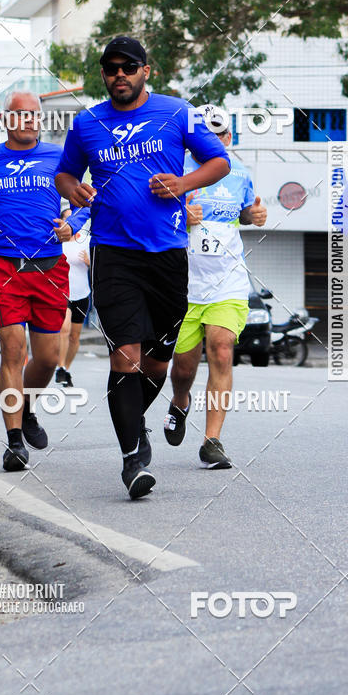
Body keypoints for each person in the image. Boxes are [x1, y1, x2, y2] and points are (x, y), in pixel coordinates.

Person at [55, 35, 231, 499]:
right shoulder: (86, 122)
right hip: (113, 254)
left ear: (145, 70)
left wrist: (183, 182)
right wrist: (72, 188)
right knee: (125, 357)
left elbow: (219, 161)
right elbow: (65, 172)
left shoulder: (178, 111)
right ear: (104, 74)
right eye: (111, 67)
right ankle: (132, 458)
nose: (119, 74)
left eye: (128, 66)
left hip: (168, 255)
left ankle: (136, 424)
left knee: (156, 362)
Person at [0, 91, 88, 471]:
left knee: (48, 358)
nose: (31, 120)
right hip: (2, 266)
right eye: (22, 115)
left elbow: (84, 199)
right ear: (6, 120)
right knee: (13, 350)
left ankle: (27, 406)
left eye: (35, 115)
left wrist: (72, 225)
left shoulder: (58, 158)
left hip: (50, 267)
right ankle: (14, 441)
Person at [166, 107, 267, 468]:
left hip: (227, 281)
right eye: (206, 136)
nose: (215, 141)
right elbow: (153, 219)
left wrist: (252, 216)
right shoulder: (176, 170)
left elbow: (243, 212)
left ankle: (212, 441)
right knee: (182, 369)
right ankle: (180, 401)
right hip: (183, 285)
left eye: (221, 134)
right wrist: (181, 217)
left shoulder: (239, 173)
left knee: (222, 350)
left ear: (229, 138)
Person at [56, 207, 91, 388]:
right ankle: (60, 367)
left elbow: (96, 264)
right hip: (63, 293)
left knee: (74, 337)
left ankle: (67, 369)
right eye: (69, 219)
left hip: (82, 294)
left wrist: (89, 262)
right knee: (64, 328)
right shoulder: (58, 243)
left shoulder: (85, 241)